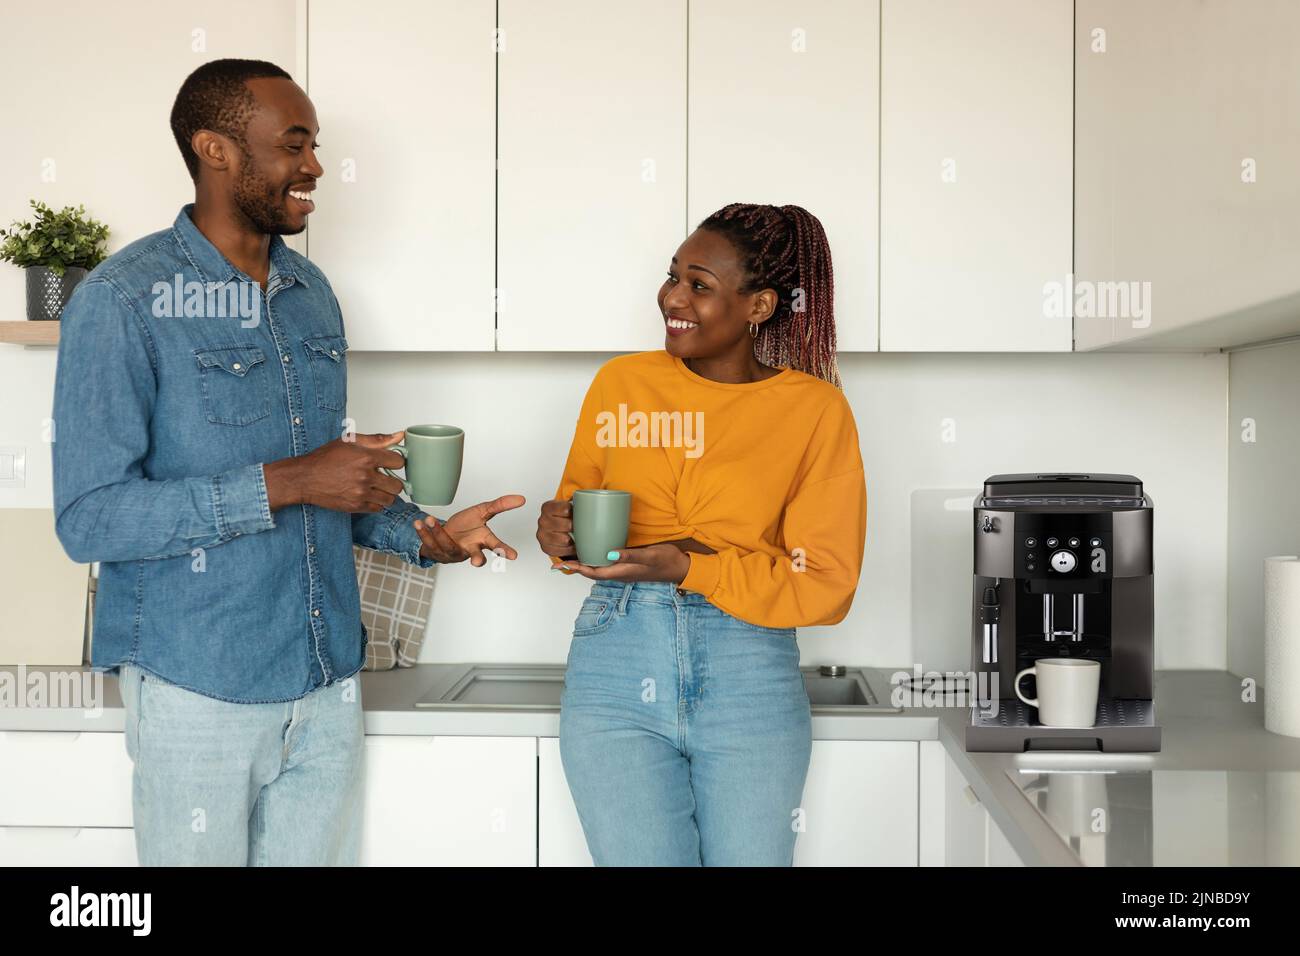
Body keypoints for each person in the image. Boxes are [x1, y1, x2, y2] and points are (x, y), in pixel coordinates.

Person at [51, 58, 523, 866]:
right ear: (216, 150)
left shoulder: (310, 292)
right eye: (293, 144)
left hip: (326, 682)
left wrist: (424, 535)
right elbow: (90, 517)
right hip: (198, 691)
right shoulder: (123, 300)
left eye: (315, 145)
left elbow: (332, 475)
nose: (314, 167)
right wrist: (290, 481)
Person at [535, 203, 867, 866]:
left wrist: (688, 567)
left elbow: (826, 584)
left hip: (748, 670)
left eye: (699, 285)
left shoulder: (814, 410)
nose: (672, 298)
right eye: (672, 277)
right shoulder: (620, 384)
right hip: (615, 662)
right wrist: (557, 531)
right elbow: (576, 515)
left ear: (760, 305)